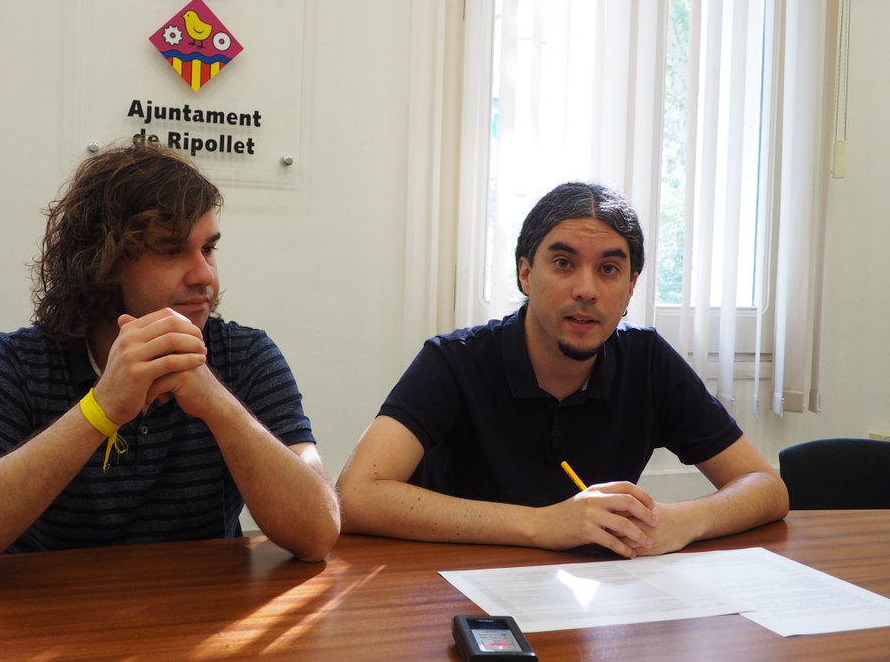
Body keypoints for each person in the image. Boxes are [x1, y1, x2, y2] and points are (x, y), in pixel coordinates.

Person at [0, 141, 340, 587]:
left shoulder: (245, 355)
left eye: (208, 249)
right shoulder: (17, 363)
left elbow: (318, 534)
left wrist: (217, 404)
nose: (204, 275)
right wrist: (102, 409)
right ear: (104, 262)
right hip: (45, 616)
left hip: (201, 615)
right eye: (172, 250)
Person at [337, 181, 788, 559]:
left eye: (609, 269)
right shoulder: (455, 360)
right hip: (453, 589)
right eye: (563, 263)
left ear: (630, 287)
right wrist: (541, 524)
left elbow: (766, 486)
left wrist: (679, 521)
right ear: (526, 274)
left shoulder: (647, 361)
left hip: (587, 599)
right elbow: (356, 495)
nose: (586, 290)